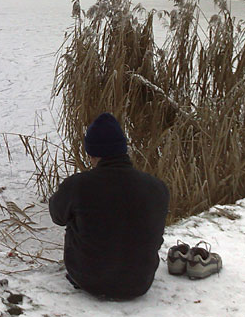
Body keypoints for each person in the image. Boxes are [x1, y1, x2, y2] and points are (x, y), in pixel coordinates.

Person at [49, 113, 169, 300]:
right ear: (123, 150)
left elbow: (58, 217)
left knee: (75, 220)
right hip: (140, 283)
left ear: (92, 153)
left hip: (88, 280)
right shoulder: (157, 186)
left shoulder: (79, 185)